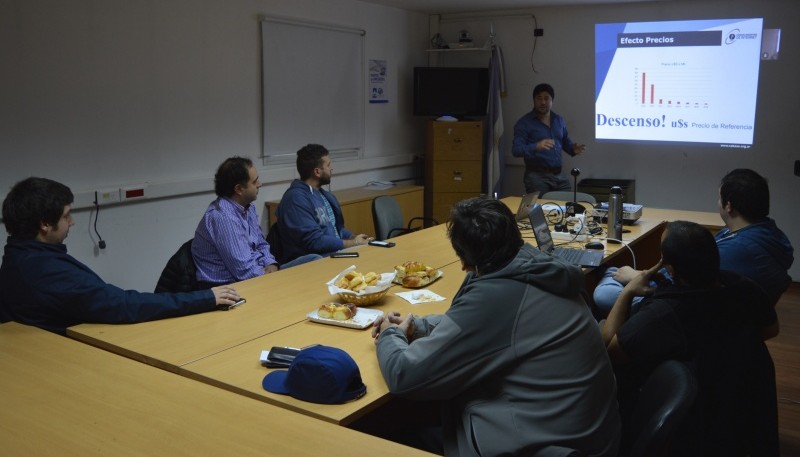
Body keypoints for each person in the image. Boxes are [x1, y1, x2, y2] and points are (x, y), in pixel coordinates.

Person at [370, 196, 620, 457]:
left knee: (393, 434)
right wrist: (420, 326)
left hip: (551, 445)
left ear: (467, 263)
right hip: (584, 435)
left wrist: (390, 333)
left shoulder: (498, 295)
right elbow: (490, 325)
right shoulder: (538, 268)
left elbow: (405, 376)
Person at [602, 220, 779, 456]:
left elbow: (611, 352)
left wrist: (628, 291)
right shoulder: (744, 287)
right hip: (744, 409)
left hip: (694, 422)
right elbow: (771, 329)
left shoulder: (663, 314)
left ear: (671, 270)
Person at [0, 177, 241, 335]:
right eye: (66, 216)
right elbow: (123, 305)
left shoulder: (15, 256)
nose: (72, 222)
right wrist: (204, 298)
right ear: (44, 224)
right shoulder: (45, 270)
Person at [593, 168, 793, 316]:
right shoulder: (771, 235)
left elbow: (676, 283)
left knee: (604, 290)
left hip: (684, 308)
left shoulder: (737, 250)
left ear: (728, 206)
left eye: (718, 198)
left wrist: (635, 276)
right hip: (715, 307)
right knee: (613, 272)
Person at [192, 157, 320, 286]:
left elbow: (261, 244)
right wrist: (273, 277)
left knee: (315, 261)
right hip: (233, 286)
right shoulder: (223, 217)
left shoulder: (247, 206)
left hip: (259, 273)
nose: (260, 184)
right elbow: (243, 272)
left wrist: (271, 263)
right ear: (239, 189)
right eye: (254, 181)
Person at [276, 144, 371, 261]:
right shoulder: (295, 199)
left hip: (332, 254)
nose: (331, 169)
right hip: (312, 261)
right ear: (317, 172)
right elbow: (313, 241)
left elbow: (337, 229)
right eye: (328, 165)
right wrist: (352, 243)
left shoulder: (323, 194)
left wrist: (355, 238)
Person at [512, 83, 586, 196]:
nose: (543, 102)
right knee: (543, 210)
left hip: (559, 175)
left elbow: (564, 140)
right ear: (534, 100)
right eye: (539, 98)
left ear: (552, 101)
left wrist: (572, 149)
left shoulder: (558, 120)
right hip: (536, 177)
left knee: (567, 206)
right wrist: (536, 146)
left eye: (546, 98)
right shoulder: (524, 123)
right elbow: (516, 150)